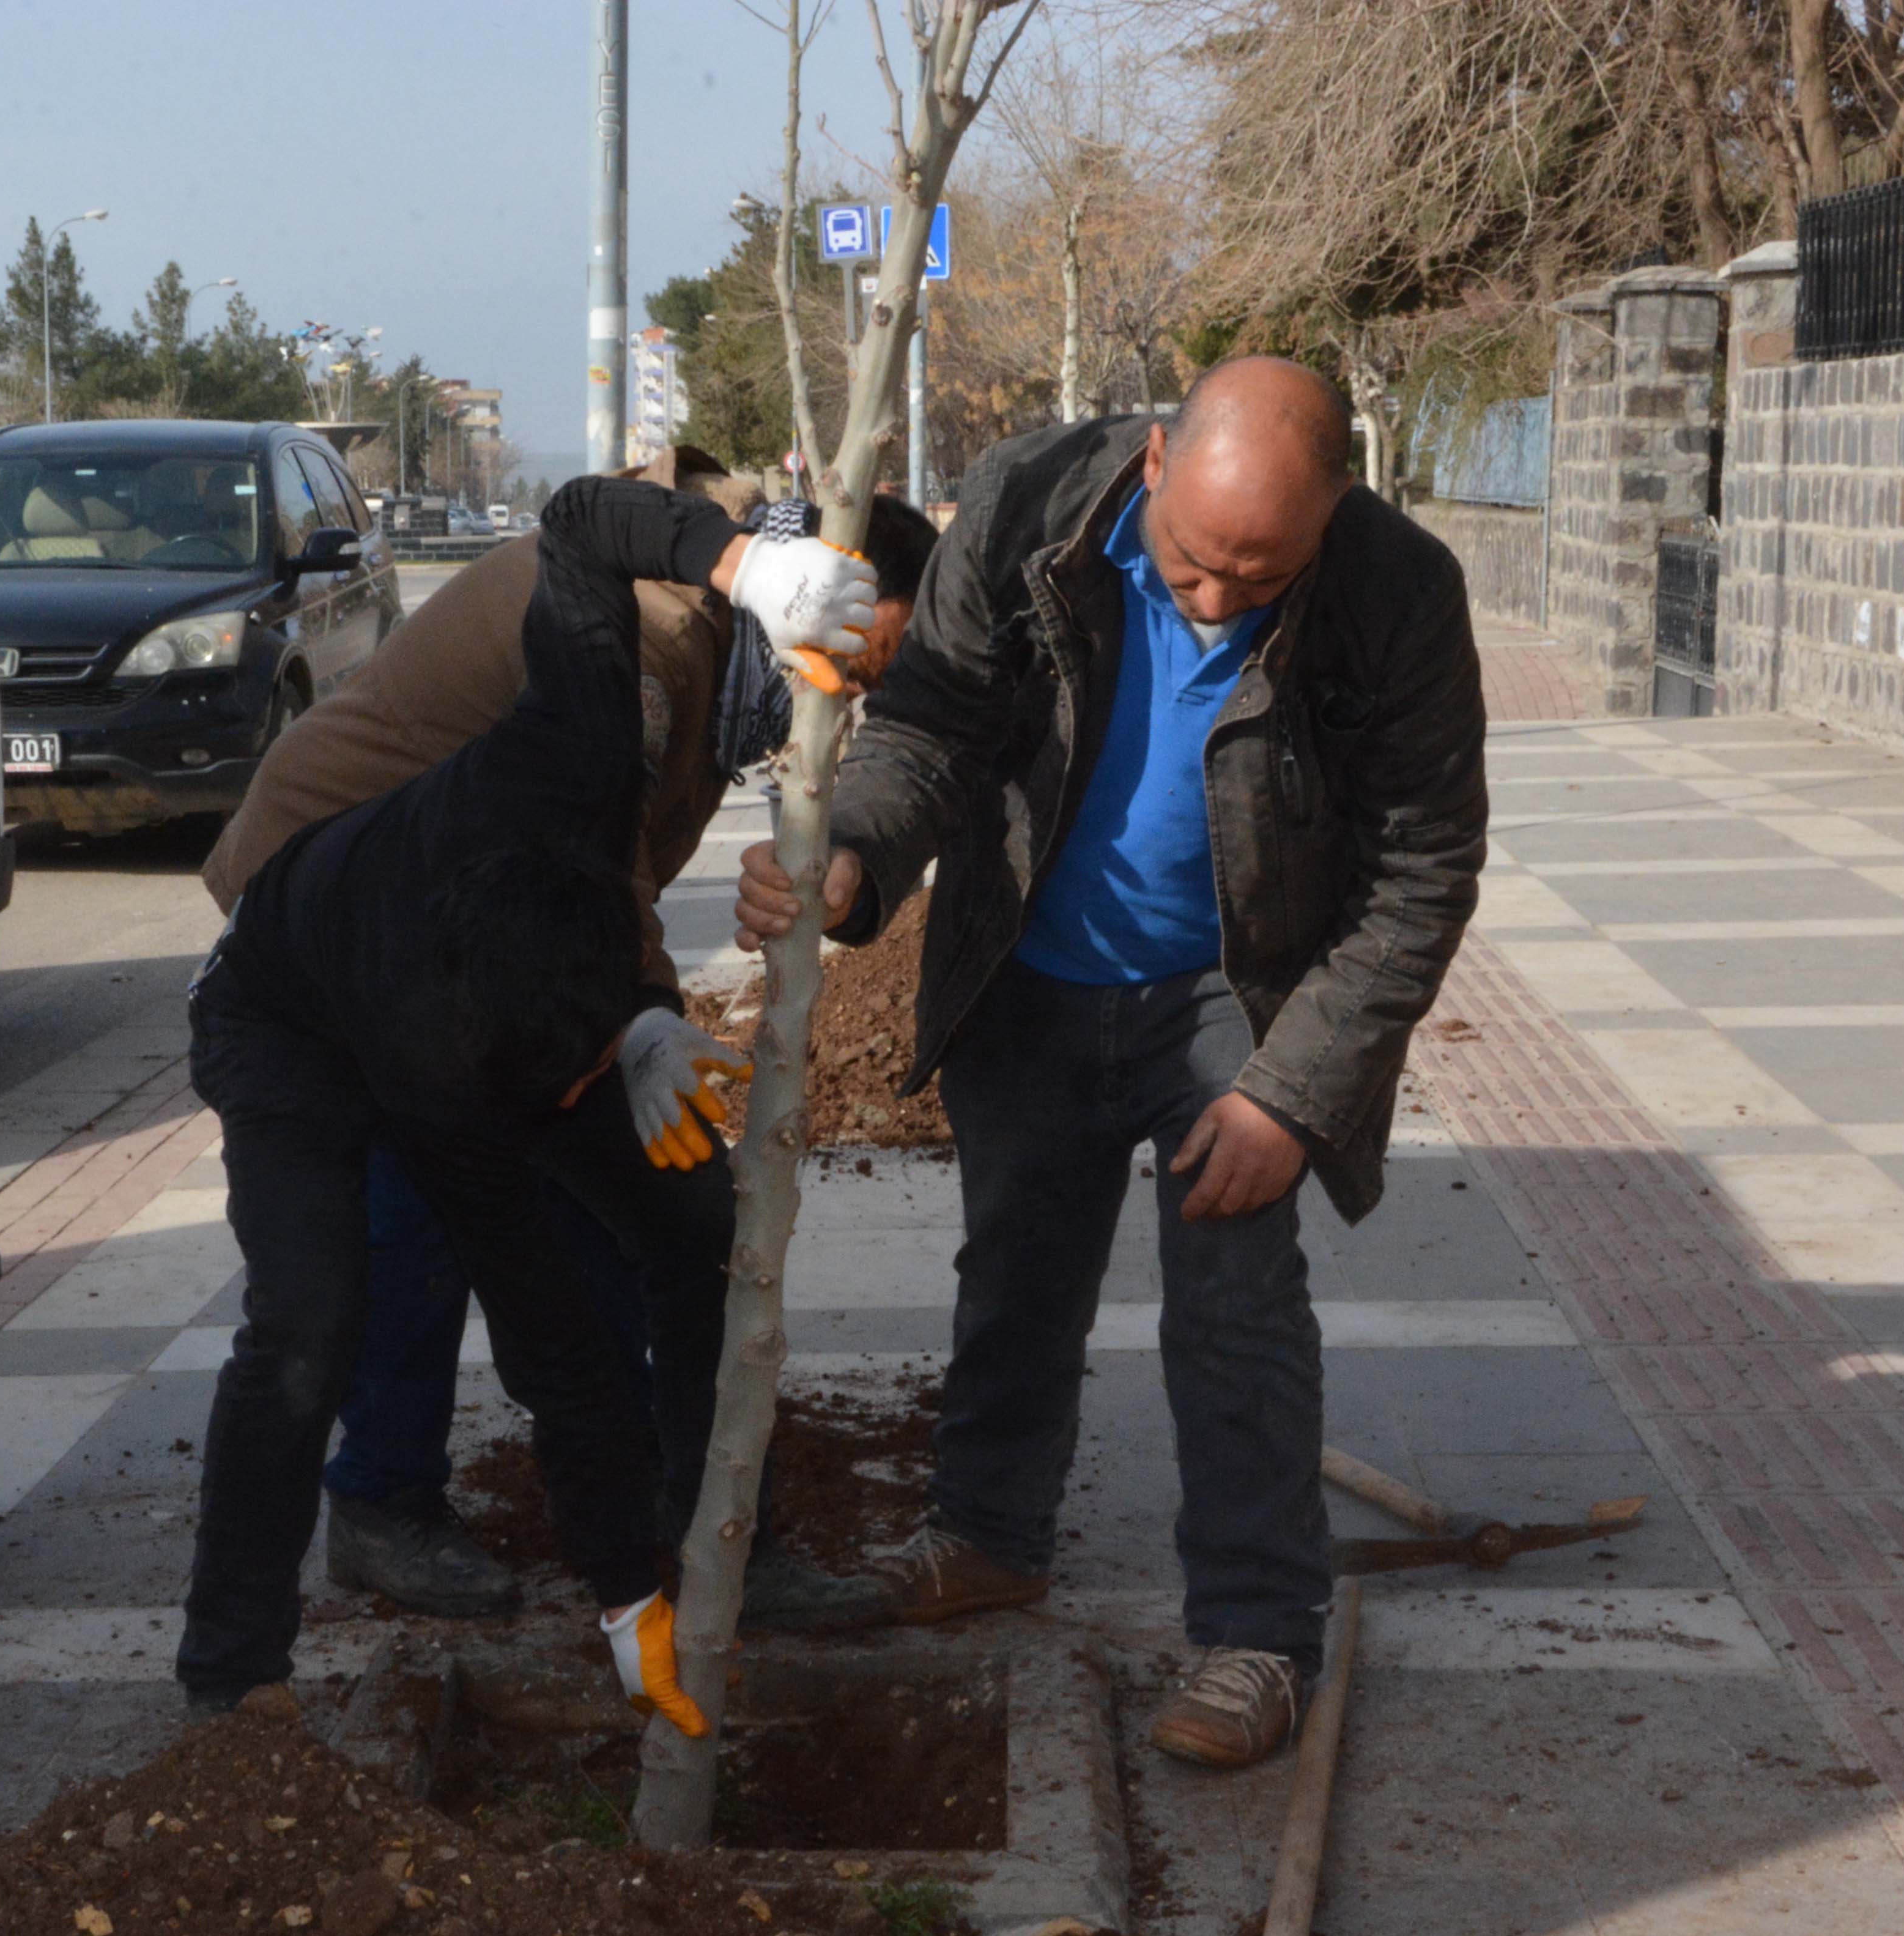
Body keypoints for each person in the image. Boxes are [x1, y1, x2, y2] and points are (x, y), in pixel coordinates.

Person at [733, 357, 1491, 1770]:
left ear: (1336, 511)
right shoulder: (1025, 503)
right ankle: (989, 1532)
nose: (1217, 602)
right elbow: (933, 728)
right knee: (1016, 1264)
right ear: (1154, 467)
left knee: (1235, 1299)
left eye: (1262, 578)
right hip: (1027, 956)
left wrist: (1290, 1090)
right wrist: (851, 856)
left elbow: (1422, 867)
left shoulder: (1398, 590)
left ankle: (1260, 1630)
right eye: (1198, 564)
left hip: (1237, 981)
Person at [179, 473, 876, 1720]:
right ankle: (234, 1678)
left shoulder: (585, 714)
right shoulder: (453, 1094)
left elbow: (577, 523)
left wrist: (750, 567)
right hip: (284, 1010)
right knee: (311, 1317)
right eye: (562, 1097)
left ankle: (706, 1530)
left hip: (495, 956)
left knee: (677, 1199)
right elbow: (551, 1343)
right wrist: (622, 1599)